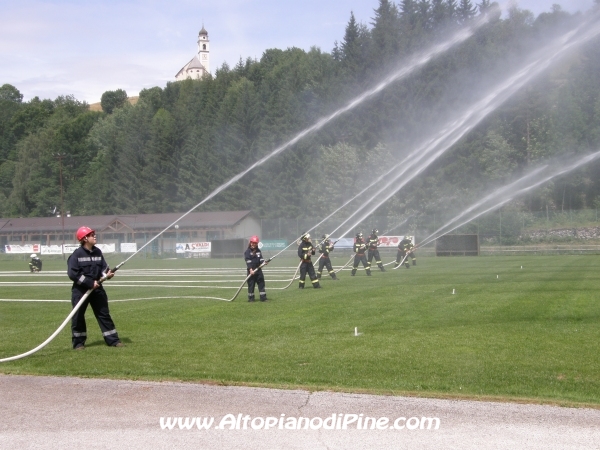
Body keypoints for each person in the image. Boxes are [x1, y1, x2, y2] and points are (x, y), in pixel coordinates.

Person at [67, 226, 123, 350]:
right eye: (92, 235)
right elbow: (73, 274)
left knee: (104, 314)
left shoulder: (98, 252)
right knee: (78, 316)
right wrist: (89, 283)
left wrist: (108, 274)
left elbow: (103, 268)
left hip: (97, 290)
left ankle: (113, 340)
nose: (95, 236)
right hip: (81, 291)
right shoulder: (76, 255)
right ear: (85, 238)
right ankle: (79, 343)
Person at [244, 235, 269, 302]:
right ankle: (251, 299)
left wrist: (264, 262)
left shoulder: (258, 251)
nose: (253, 244)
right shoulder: (247, 252)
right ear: (250, 242)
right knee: (251, 285)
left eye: (255, 243)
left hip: (258, 271)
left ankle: (263, 298)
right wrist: (251, 270)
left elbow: (261, 259)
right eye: (252, 242)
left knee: (261, 284)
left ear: (257, 244)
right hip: (251, 271)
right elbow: (248, 261)